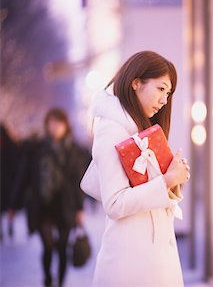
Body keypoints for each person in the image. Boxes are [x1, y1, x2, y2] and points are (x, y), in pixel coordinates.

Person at [82, 51, 190, 286]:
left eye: (168, 93)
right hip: (130, 266)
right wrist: (167, 180)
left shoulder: (142, 131)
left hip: (153, 262)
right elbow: (115, 203)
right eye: (161, 89)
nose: (164, 100)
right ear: (136, 83)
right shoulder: (112, 131)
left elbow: (150, 197)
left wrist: (173, 179)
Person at [10, 109, 89, 287]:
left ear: (65, 125)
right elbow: (24, 177)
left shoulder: (74, 150)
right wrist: (14, 205)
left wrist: (79, 208)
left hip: (65, 206)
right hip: (43, 205)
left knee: (62, 247)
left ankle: (60, 282)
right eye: (51, 123)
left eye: (58, 123)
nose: (54, 127)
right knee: (47, 245)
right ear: (46, 125)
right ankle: (47, 279)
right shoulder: (37, 149)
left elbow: (78, 181)